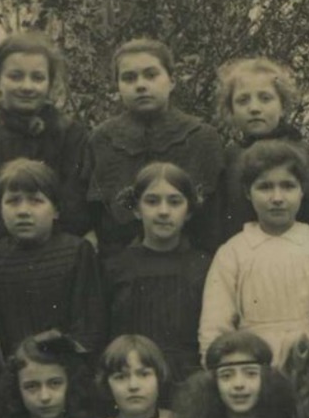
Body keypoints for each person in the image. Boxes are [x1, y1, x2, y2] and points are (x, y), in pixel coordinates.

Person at [199, 139, 309, 372]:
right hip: (251, 368)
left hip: (308, 367)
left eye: (288, 186)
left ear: (302, 189)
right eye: (265, 187)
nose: (277, 198)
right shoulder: (233, 252)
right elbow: (215, 326)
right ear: (247, 192)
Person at [0, 30, 91, 241]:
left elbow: (78, 204)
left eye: (37, 78)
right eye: (15, 76)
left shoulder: (70, 136)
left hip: (55, 254)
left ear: (49, 85)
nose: (27, 86)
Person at [85, 37, 226, 257]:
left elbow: (212, 221)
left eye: (151, 75)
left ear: (171, 81)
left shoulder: (202, 137)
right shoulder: (102, 139)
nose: (141, 85)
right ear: (118, 86)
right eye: (129, 78)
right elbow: (97, 216)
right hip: (120, 266)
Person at [0, 158, 106, 359]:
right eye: (13, 201)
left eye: (35, 201)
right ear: (0, 209)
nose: (23, 211)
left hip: (65, 369)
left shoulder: (76, 251)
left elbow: (90, 325)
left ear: (56, 210)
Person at [101, 161, 213, 386]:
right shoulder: (115, 267)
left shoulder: (204, 265)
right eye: (152, 201)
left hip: (190, 382)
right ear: (136, 209)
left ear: (189, 210)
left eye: (174, 202)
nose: (163, 211)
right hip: (133, 381)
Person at [214, 56, 309, 244]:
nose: (254, 108)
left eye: (265, 98)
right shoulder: (229, 159)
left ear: (282, 106)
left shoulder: (307, 156)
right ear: (231, 110)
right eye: (243, 100)